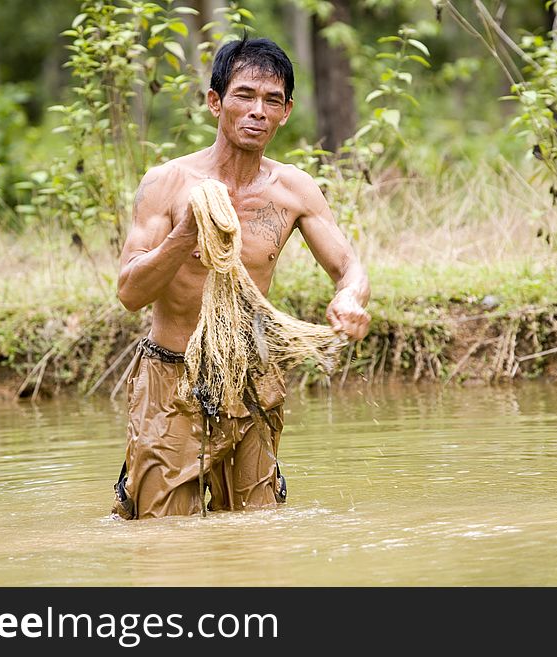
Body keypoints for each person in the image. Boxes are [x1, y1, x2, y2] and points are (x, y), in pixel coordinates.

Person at [111, 35, 370, 520]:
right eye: (245, 96)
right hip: (172, 377)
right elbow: (130, 292)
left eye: (272, 101)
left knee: (259, 530)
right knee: (165, 536)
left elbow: (347, 267)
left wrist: (351, 298)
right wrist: (187, 232)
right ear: (216, 103)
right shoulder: (167, 183)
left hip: (251, 377)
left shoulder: (292, 189)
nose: (258, 111)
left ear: (286, 112)